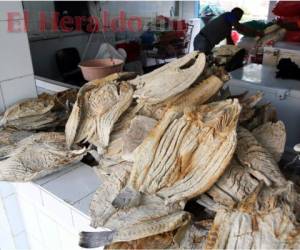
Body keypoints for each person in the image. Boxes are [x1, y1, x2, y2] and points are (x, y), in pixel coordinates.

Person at [194, 7, 264, 54]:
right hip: (202, 40)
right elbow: (239, 28)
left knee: (205, 62)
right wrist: (256, 33)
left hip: (207, 43)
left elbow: (229, 41)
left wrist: (235, 52)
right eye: (239, 17)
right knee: (199, 64)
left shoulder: (227, 27)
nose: (239, 19)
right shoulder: (228, 15)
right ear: (235, 14)